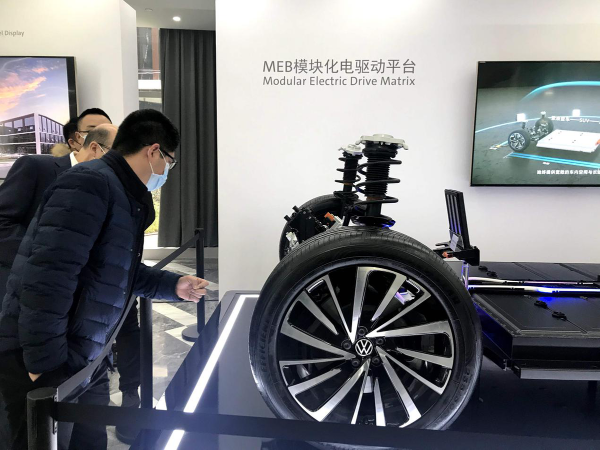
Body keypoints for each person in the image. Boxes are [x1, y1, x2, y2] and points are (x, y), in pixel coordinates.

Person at [0, 109, 208, 450]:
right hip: (49, 359)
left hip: (86, 354)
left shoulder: (122, 194)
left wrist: (172, 285)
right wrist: (45, 368)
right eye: (169, 161)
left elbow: (114, 270)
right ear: (154, 151)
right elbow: (47, 280)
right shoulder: (89, 183)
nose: (167, 171)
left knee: (90, 441)